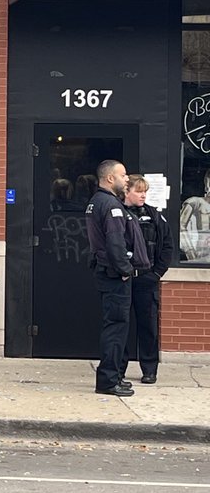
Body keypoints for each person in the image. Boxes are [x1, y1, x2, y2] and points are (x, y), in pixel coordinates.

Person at [85, 159, 147, 397]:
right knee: (116, 328)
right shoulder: (110, 205)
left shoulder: (96, 202)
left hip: (106, 273)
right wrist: (125, 270)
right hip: (114, 276)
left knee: (115, 326)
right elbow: (115, 242)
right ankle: (109, 380)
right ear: (110, 178)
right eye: (123, 175)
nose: (127, 179)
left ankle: (114, 376)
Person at [122, 175, 173, 384]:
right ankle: (118, 368)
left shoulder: (155, 216)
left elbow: (168, 245)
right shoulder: (117, 213)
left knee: (148, 327)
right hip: (123, 280)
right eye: (139, 190)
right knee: (120, 327)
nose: (143, 195)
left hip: (147, 280)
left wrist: (157, 274)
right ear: (127, 192)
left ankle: (149, 370)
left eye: (146, 191)